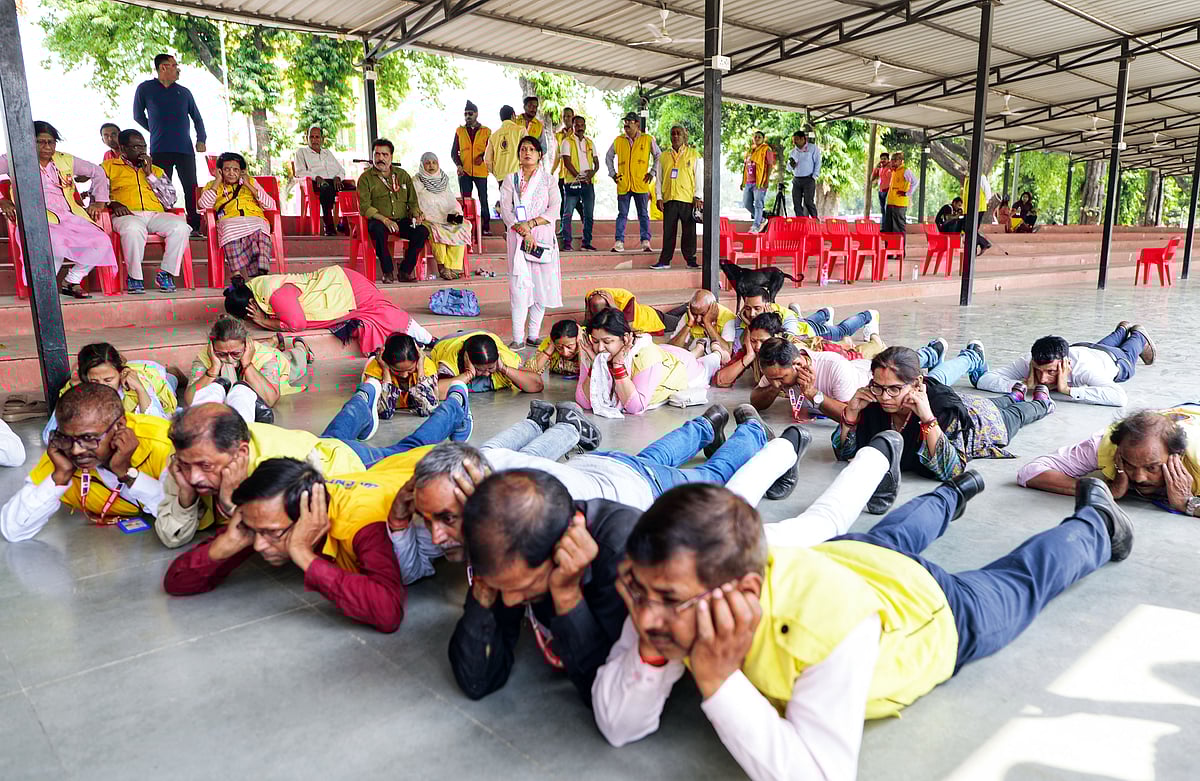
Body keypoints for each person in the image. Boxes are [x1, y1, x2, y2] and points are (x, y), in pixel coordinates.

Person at [590, 474, 1133, 781]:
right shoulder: (666, 586)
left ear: (744, 592)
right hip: (846, 557)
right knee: (892, 533)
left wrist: (718, 678)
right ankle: (952, 491)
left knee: (1022, 582)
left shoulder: (827, 625)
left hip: (928, 605)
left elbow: (820, 775)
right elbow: (619, 725)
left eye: (667, 602)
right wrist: (655, 649)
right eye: (637, 590)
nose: (645, 617)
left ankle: (1098, 523)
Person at [402, 405, 807, 571]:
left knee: (713, 480)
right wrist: (400, 520)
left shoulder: (527, 515)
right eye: (429, 518)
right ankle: (707, 424)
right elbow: (414, 564)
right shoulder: (469, 474)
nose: (437, 534)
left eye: (447, 519)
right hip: (603, 467)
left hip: (637, 489)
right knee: (651, 457)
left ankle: (755, 433)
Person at [155, 384, 473, 548]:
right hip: (311, 445)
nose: (194, 476)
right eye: (187, 465)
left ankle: (454, 405)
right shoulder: (189, 460)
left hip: (342, 464)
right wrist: (184, 496)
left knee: (409, 449)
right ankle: (365, 397)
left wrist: (229, 502)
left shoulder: (269, 469)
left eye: (205, 466)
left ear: (241, 453)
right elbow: (171, 536)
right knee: (329, 435)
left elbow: (276, 535)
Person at [451, 469, 641, 702]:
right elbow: (477, 681)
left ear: (561, 550)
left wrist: (568, 596)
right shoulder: (510, 555)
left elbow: (608, 696)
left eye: (525, 586)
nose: (510, 600)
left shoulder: (625, 558)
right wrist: (484, 591)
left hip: (637, 483)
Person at [163, 459, 408, 633]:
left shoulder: (362, 523)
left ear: (309, 519)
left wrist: (302, 554)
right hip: (381, 470)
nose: (258, 545)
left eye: (272, 533)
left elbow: (388, 612)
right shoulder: (268, 515)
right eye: (254, 531)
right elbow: (176, 581)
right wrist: (227, 542)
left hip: (407, 468)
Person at [834, 346, 1053, 505]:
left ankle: (1041, 403)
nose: (884, 397)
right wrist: (851, 413)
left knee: (1017, 414)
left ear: (917, 384)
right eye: (878, 386)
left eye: (894, 389)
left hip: (983, 422)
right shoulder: (872, 400)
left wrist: (927, 418)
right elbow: (845, 453)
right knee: (1003, 401)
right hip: (969, 402)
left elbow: (952, 469)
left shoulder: (942, 408)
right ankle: (1014, 395)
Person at [0, 384, 170, 542]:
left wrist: (127, 473)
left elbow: (178, 519)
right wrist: (60, 476)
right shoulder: (61, 453)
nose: (76, 450)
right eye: (67, 437)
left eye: (88, 438)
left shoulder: (161, 443)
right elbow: (13, 530)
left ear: (119, 426)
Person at [0, 120, 118, 299]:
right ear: (29, 141)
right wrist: (2, 201)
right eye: (41, 142)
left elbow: (98, 172)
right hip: (36, 217)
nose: (47, 147)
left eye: (51, 142)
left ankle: (72, 280)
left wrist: (99, 202)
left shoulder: (64, 159)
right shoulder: (15, 157)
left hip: (68, 215)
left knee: (101, 241)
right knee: (54, 242)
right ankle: (43, 288)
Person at [1019, 406, 1200, 517]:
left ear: (1177, 455)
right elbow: (1030, 472)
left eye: (1152, 467)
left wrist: (1187, 503)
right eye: (1129, 464)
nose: (1138, 477)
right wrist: (1103, 489)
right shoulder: (1106, 445)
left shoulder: (1196, 458)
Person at [223, 265, 433, 356]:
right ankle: (418, 341)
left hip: (345, 288)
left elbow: (296, 324)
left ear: (250, 308)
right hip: (338, 285)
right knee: (369, 323)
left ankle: (428, 339)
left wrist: (263, 321)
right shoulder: (258, 288)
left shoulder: (275, 295)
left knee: (383, 314)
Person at [576, 309, 721, 417]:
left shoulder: (644, 354)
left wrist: (618, 366)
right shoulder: (592, 352)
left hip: (681, 368)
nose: (600, 348)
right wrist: (595, 366)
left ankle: (714, 349)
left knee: (712, 362)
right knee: (691, 354)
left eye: (607, 341)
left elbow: (635, 406)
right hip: (665, 354)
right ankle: (699, 348)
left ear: (625, 339)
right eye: (596, 341)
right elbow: (584, 402)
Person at [102, 129, 192, 294]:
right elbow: (97, 194)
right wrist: (112, 203)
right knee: (133, 229)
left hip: (155, 214)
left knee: (181, 227)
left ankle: (166, 273)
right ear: (123, 148)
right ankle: (134, 277)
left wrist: (149, 174)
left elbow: (170, 200)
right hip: (127, 214)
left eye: (143, 146)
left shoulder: (156, 170)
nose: (142, 151)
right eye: (136, 147)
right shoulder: (108, 167)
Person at [974, 325, 1153, 408]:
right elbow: (984, 379)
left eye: (1051, 372)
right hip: (1085, 347)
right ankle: (1121, 330)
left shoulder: (1084, 369)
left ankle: (1137, 334)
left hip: (1113, 359)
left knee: (1129, 354)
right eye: (1038, 371)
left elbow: (1119, 398)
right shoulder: (1029, 360)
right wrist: (1023, 385)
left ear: (1066, 363)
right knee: (1102, 345)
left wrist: (1067, 390)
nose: (1043, 379)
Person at [499, 136, 563, 349]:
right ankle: (518, 338)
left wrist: (532, 224)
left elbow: (554, 209)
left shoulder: (549, 180)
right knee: (519, 286)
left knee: (541, 286)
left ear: (539, 155)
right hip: (518, 237)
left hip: (542, 236)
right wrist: (523, 230)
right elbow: (506, 210)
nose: (527, 153)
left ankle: (533, 334)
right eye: (523, 149)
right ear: (518, 154)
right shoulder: (511, 180)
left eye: (531, 149)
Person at [42, 343, 178, 443]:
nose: (102, 386)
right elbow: (50, 435)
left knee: (171, 380)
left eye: (108, 380)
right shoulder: (78, 389)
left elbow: (158, 425)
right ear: (85, 378)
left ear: (120, 373)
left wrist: (140, 390)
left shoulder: (135, 385)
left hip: (154, 377)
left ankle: (175, 373)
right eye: (94, 381)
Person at [715, 311, 889, 389]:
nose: (758, 346)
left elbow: (829, 362)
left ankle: (874, 338)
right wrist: (748, 356)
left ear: (778, 338)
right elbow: (721, 380)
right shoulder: (750, 350)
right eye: (753, 341)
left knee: (864, 352)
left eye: (763, 341)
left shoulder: (792, 352)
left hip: (830, 350)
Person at [185, 317, 309, 424]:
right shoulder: (205, 356)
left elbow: (269, 400)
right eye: (222, 354)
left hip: (281, 362)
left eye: (235, 353)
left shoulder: (265, 356)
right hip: (251, 351)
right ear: (211, 347)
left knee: (296, 359)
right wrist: (213, 369)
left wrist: (247, 364)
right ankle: (272, 341)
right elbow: (192, 400)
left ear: (247, 345)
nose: (229, 359)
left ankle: (301, 346)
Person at [132, 53, 205, 234]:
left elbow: (197, 118)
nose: (177, 69)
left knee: (191, 187)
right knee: (160, 186)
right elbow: (138, 116)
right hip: (160, 149)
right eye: (174, 65)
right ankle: (163, 223)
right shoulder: (145, 89)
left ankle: (195, 226)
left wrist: (201, 139)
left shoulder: (184, 92)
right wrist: (155, 129)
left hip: (185, 149)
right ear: (163, 67)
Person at [753, 337, 876, 424]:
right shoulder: (776, 371)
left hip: (867, 372)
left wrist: (813, 394)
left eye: (780, 378)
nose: (776, 383)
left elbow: (851, 416)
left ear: (799, 364)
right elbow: (755, 402)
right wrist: (774, 388)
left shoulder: (835, 366)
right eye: (771, 379)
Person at [356, 138, 428, 283]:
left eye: (385, 154)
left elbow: (413, 202)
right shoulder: (365, 178)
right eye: (377, 154)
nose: (380, 158)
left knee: (422, 232)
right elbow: (364, 207)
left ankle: (405, 271)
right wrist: (385, 220)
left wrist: (416, 214)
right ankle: (388, 272)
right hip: (379, 220)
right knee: (377, 230)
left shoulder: (402, 175)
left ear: (391, 156)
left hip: (401, 220)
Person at [197, 152, 277, 280]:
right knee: (229, 228)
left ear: (242, 172)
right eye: (226, 169)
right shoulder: (212, 185)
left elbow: (271, 205)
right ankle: (236, 275)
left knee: (261, 227)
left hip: (254, 218)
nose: (231, 173)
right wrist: (217, 181)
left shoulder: (251, 182)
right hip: (229, 219)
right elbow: (204, 204)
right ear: (220, 171)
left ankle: (260, 273)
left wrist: (248, 185)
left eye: (235, 170)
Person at [606, 112, 660, 253]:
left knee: (643, 214)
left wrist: (652, 172)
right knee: (622, 214)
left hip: (640, 183)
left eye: (629, 122)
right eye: (625, 122)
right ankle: (619, 242)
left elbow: (658, 156)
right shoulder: (619, 140)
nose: (626, 125)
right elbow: (608, 156)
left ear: (637, 124)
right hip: (623, 183)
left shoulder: (647, 139)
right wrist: (612, 173)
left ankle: (645, 242)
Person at [414, 152, 473, 281]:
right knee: (437, 230)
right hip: (429, 218)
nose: (431, 165)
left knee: (463, 226)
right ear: (422, 165)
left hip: (447, 216)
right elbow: (414, 201)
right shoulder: (417, 181)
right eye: (427, 163)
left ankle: (452, 267)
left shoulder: (443, 179)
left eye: (434, 163)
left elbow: (451, 199)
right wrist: (420, 212)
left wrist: (455, 211)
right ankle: (443, 265)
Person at [428, 331, 544, 395]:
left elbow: (537, 384)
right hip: (449, 340)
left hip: (486, 334)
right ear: (467, 359)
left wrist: (504, 369)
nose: (487, 374)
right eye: (480, 369)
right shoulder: (450, 359)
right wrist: (468, 374)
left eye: (490, 368)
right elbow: (435, 392)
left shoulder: (503, 357)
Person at [651, 124, 702, 270]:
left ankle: (691, 261)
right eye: (673, 134)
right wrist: (659, 197)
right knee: (668, 232)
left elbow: (698, 176)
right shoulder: (663, 156)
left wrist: (698, 196)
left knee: (689, 232)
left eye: (678, 133)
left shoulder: (693, 154)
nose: (675, 136)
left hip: (687, 199)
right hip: (669, 199)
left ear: (684, 136)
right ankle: (664, 261)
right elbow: (659, 179)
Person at [361, 332, 439, 417]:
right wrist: (386, 372)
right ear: (386, 363)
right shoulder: (375, 369)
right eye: (397, 371)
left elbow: (428, 408)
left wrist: (420, 370)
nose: (404, 375)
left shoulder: (426, 366)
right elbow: (384, 412)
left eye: (410, 369)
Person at [293, 125, 353, 236]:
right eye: (311, 137)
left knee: (353, 189)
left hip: (333, 182)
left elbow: (341, 170)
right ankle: (329, 227)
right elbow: (299, 172)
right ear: (307, 138)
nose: (314, 140)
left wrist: (338, 177)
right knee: (326, 189)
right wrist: (316, 177)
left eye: (317, 137)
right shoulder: (301, 152)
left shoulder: (327, 153)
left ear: (322, 139)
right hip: (315, 183)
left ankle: (344, 223)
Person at [451, 100, 492, 236]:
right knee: (465, 201)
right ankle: (466, 229)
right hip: (465, 171)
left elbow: (490, 150)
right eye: (465, 114)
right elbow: (454, 152)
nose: (467, 116)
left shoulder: (486, 131)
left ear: (476, 114)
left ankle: (486, 227)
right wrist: (459, 165)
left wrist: (482, 157)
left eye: (470, 113)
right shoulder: (460, 131)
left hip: (481, 171)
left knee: (483, 199)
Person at [558, 114, 599, 252]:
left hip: (588, 183)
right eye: (577, 125)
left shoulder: (590, 143)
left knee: (589, 214)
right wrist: (578, 176)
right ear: (573, 126)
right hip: (572, 182)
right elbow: (567, 162)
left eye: (582, 125)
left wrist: (592, 173)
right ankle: (567, 243)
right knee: (568, 213)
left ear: (585, 126)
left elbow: (597, 163)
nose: (580, 128)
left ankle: (586, 243)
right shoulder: (566, 142)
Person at [668, 289, 734, 361]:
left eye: (702, 314)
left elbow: (728, 352)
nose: (698, 319)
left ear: (713, 308)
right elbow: (671, 348)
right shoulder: (689, 316)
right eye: (695, 314)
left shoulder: (728, 317)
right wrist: (688, 325)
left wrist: (708, 324)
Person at [585, 287, 675, 335]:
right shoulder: (590, 296)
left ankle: (683, 307)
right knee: (673, 315)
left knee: (678, 321)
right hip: (644, 311)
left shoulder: (625, 297)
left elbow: (627, 328)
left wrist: (614, 307)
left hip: (651, 318)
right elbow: (588, 321)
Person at [742, 131, 775, 233]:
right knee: (746, 203)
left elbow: (770, 165)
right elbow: (746, 166)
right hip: (748, 181)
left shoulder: (766, 149)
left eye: (759, 137)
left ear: (763, 139)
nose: (757, 138)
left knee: (758, 204)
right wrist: (742, 181)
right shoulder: (750, 150)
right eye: (755, 137)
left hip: (760, 182)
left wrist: (767, 180)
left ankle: (756, 226)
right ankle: (761, 219)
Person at [515, 95, 557, 172]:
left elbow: (543, 148)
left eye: (535, 107)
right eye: (530, 106)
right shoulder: (515, 122)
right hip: (515, 165)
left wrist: (533, 156)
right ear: (524, 107)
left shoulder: (539, 126)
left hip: (532, 167)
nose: (533, 109)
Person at [786, 130, 821, 218]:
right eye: (793, 140)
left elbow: (818, 162)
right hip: (796, 179)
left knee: (808, 202)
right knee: (796, 203)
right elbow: (788, 168)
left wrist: (814, 176)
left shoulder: (813, 148)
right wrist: (791, 165)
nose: (795, 142)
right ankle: (801, 221)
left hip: (808, 179)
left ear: (803, 139)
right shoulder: (793, 152)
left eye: (796, 140)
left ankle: (815, 220)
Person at [484, 105, 523, 180]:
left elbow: (487, 160)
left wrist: (496, 173)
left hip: (501, 177)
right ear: (513, 115)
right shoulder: (520, 131)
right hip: (517, 174)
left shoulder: (493, 136)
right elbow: (528, 151)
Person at [882, 151, 915, 234]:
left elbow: (915, 182)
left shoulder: (905, 171)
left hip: (899, 204)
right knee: (888, 228)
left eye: (895, 160)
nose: (892, 162)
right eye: (892, 160)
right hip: (890, 202)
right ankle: (889, 243)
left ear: (901, 161)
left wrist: (907, 193)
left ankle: (900, 243)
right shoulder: (894, 171)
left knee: (898, 228)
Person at [959, 174, 994, 253]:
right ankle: (980, 245)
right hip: (968, 209)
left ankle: (982, 244)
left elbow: (988, 193)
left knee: (971, 230)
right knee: (968, 229)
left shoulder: (981, 177)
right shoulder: (967, 178)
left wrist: (984, 201)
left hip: (978, 208)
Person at [869, 152, 890, 217]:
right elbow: (871, 179)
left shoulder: (891, 167)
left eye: (884, 159)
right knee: (882, 211)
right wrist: (876, 167)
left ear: (888, 160)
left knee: (887, 210)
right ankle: (883, 223)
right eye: (881, 159)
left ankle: (887, 223)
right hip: (881, 191)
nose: (882, 160)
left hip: (888, 191)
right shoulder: (880, 168)